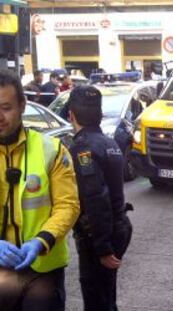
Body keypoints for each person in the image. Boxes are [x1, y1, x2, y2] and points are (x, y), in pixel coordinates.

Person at [0, 69, 80, 310]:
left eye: (6, 107)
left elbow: (68, 205)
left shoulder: (52, 149)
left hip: (43, 270)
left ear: (23, 106)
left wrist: (41, 241)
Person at [68, 85, 133, 310]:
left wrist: (102, 246)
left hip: (99, 234)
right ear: (100, 114)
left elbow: (95, 196)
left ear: (71, 115)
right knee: (106, 295)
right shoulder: (110, 143)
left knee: (96, 298)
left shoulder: (83, 148)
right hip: (119, 225)